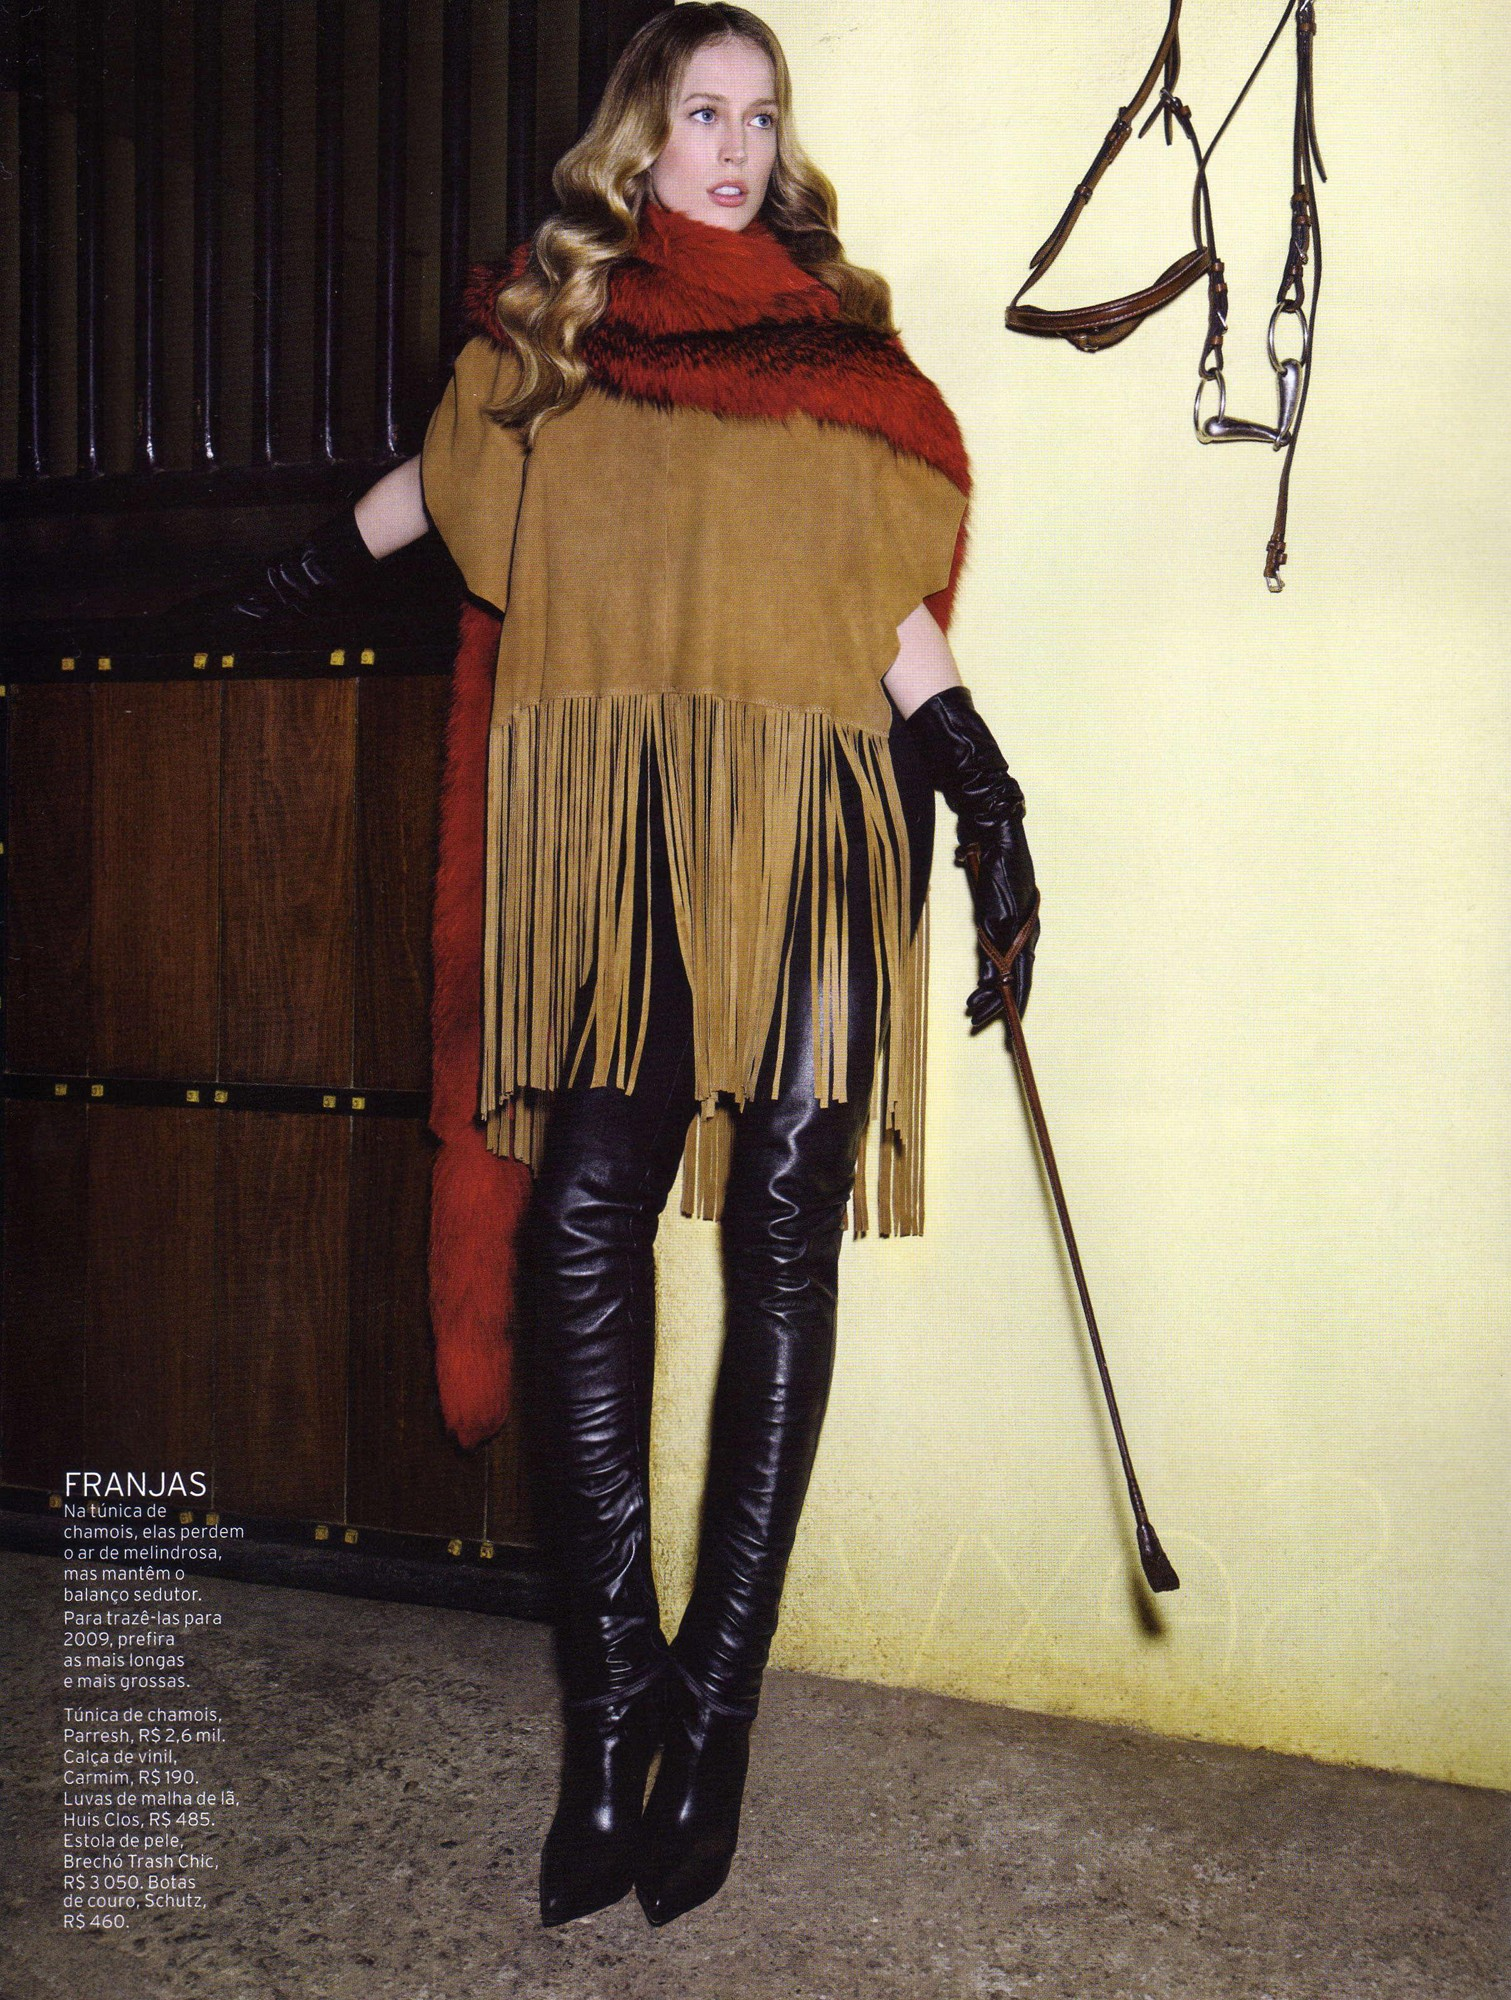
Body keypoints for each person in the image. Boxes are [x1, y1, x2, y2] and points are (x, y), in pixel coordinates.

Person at [206, 2, 1037, 1931]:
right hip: (631, 841)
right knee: (582, 1217)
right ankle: (610, 1720)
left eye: (760, 114)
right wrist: (279, 579)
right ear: (640, 137)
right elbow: (434, 493)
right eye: (699, 111)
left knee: (780, 1239)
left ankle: (714, 1715)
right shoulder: (559, 336)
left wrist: (987, 797)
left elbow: (889, 612)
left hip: (816, 831)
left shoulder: (844, 362)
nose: (733, 148)